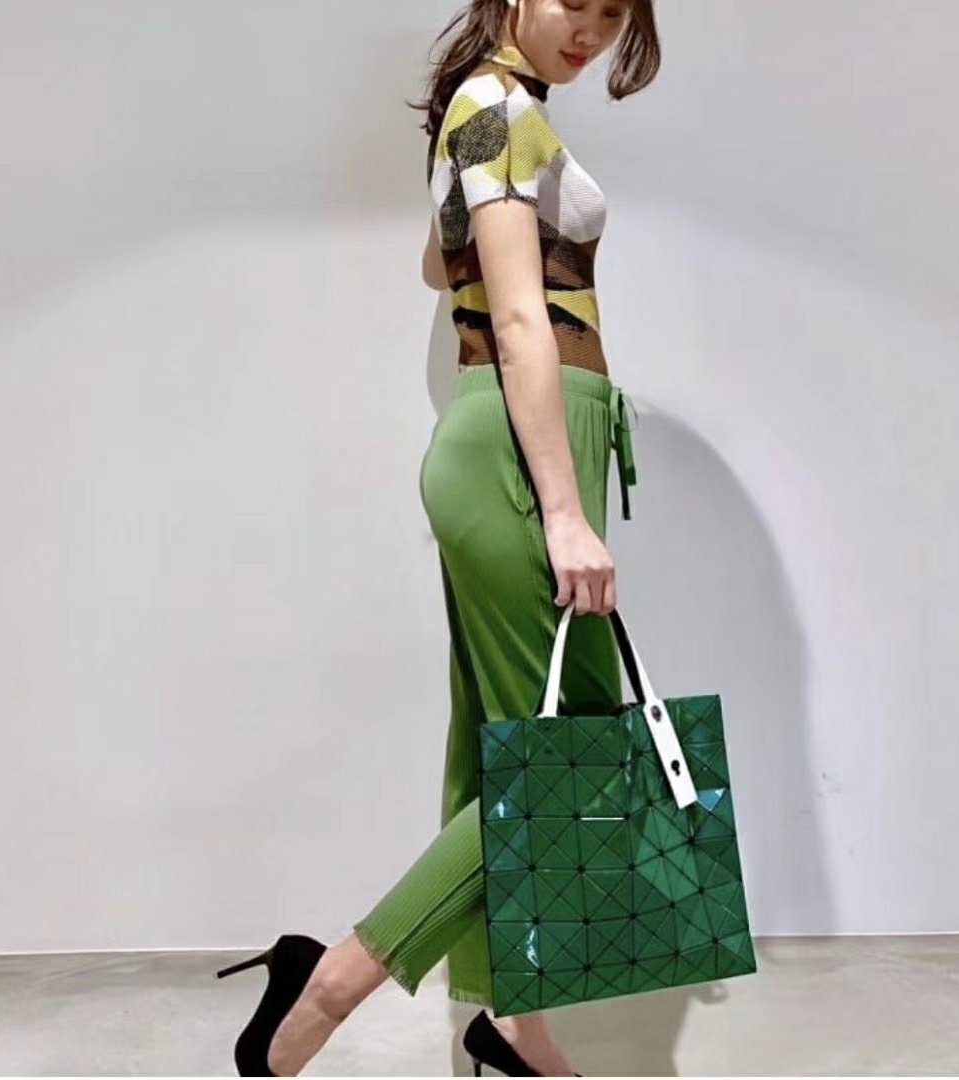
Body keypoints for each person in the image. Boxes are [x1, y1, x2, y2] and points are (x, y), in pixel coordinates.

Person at [219, 0, 660, 1074]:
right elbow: (516, 319)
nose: (592, 30)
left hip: (506, 440)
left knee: (507, 746)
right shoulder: (496, 107)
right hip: (521, 447)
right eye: (576, 3)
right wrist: (564, 512)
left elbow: (438, 265)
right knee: (575, 752)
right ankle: (324, 987)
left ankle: (516, 1027)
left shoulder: (487, 113)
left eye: (614, 13)